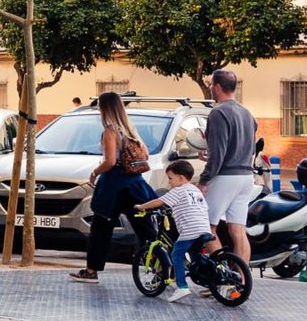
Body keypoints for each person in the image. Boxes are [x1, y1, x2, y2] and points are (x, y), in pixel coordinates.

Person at [70, 92, 155, 283]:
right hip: (135, 184)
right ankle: (164, 268)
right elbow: (146, 154)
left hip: (113, 186)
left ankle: (92, 271)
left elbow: (110, 161)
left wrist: (95, 172)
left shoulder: (110, 130)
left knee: (101, 229)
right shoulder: (130, 129)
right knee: (146, 230)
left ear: (103, 108)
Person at [134, 160, 214, 303]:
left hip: (190, 229)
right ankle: (208, 275)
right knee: (195, 254)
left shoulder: (178, 190)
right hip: (204, 228)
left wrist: (141, 207)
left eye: (170, 178)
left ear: (181, 178)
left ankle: (182, 287)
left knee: (176, 253)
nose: (169, 182)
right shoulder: (195, 189)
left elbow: (159, 202)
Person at [200, 69, 257, 264]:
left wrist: (204, 179)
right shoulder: (247, 113)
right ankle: (241, 280)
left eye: (210, 85)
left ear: (216, 87)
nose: (210, 88)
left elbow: (218, 154)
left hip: (225, 177)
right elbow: (248, 148)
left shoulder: (218, 112)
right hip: (246, 177)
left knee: (206, 227)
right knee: (238, 230)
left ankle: (222, 276)